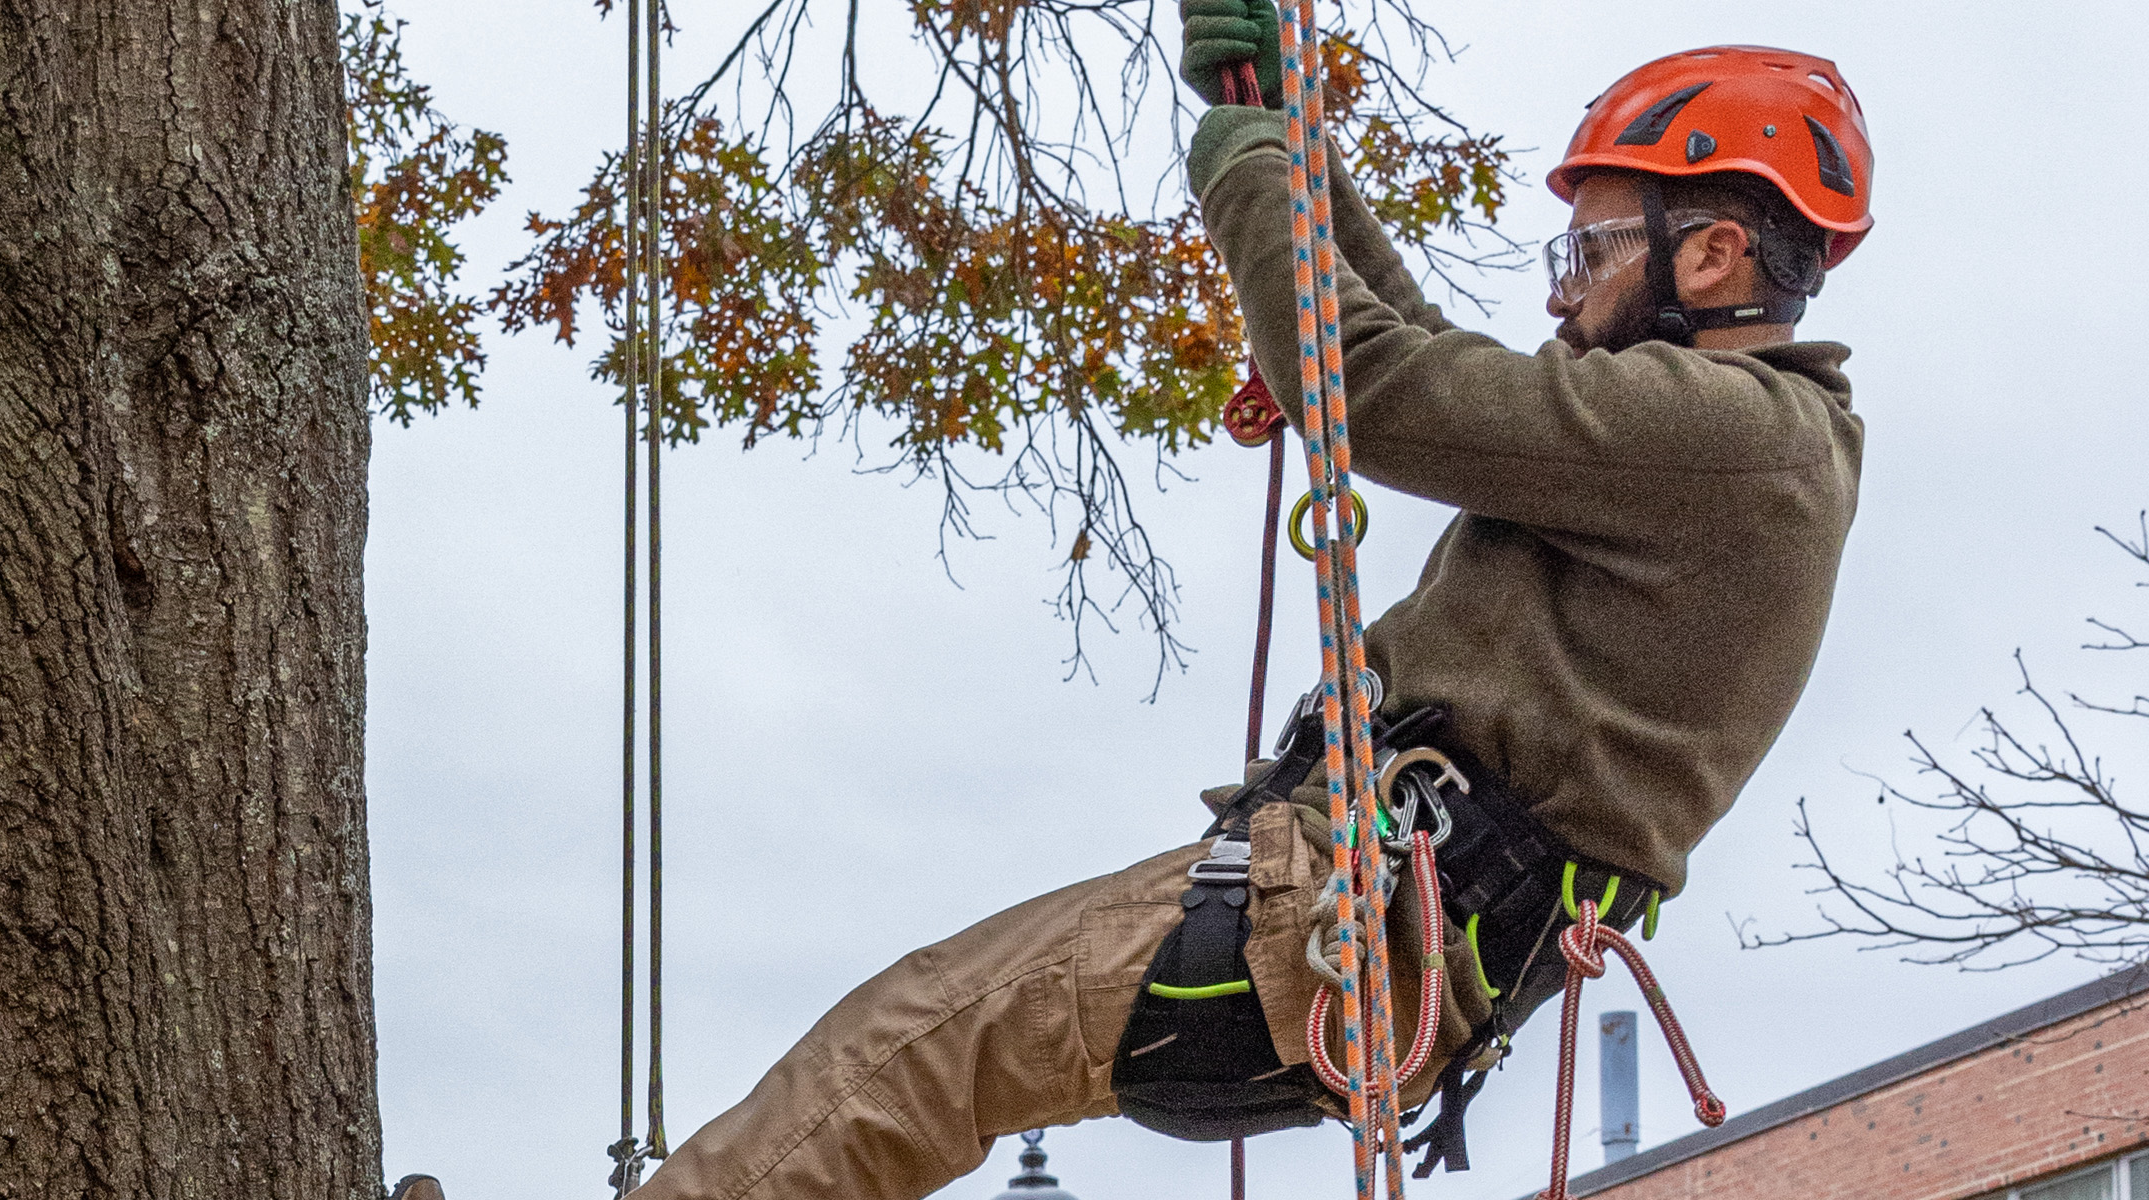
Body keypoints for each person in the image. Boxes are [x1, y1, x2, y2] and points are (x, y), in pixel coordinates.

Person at [624, 25, 1876, 1200]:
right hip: (1363, 930)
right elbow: (1428, 359)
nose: (1560, 294)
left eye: (1588, 250)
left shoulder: (1742, 443)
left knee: (913, 1043)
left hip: (1349, 918)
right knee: (920, 1042)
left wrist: (1242, 170)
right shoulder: (1727, 452)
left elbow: (1378, 388)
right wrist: (1297, 149)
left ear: (1708, 254)